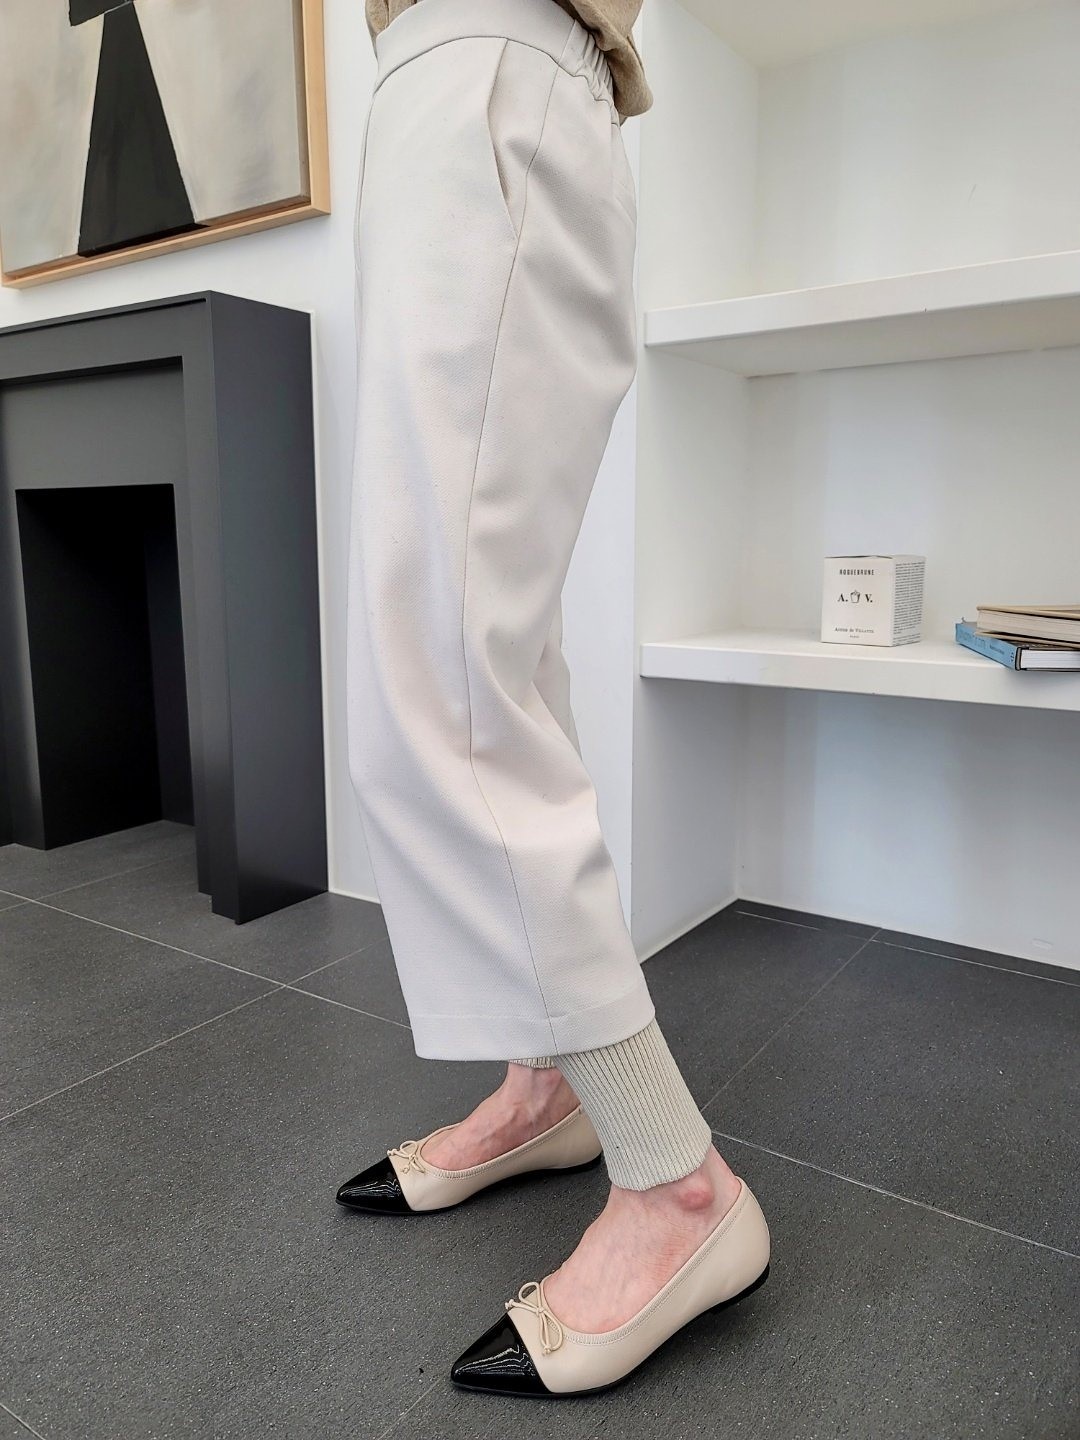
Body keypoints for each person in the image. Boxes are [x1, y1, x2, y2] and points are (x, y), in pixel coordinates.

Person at [341, 0, 771, 1397]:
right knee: (492, 652)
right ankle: (553, 1089)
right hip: (433, 81)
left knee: (441, 670)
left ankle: (676, 1182)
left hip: (493, 60)